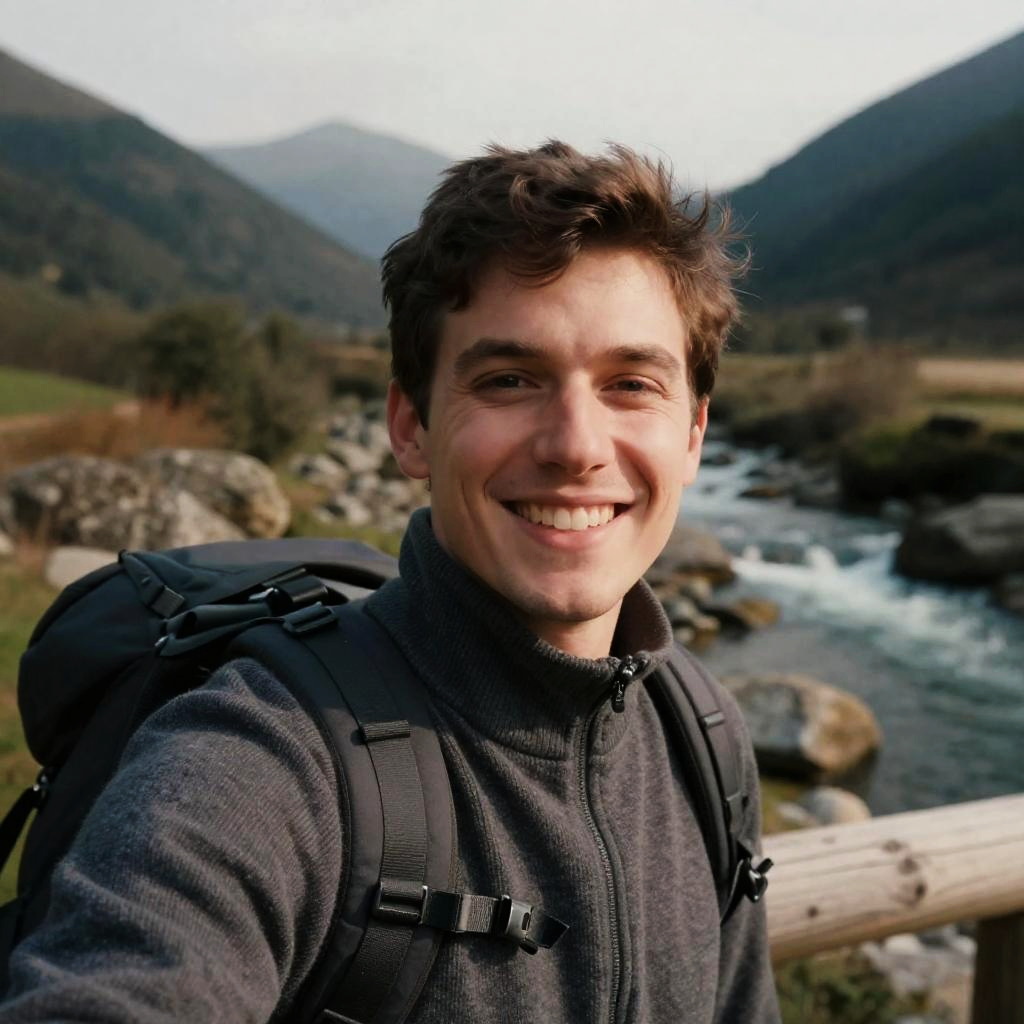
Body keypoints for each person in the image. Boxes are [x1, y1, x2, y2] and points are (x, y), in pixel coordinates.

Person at [0, 141, 780, 1022]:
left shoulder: (701, 737)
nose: (575, 445)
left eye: (631, 384)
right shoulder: (264, 758)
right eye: (510, 379)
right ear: (409, 427)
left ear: (693, 435)